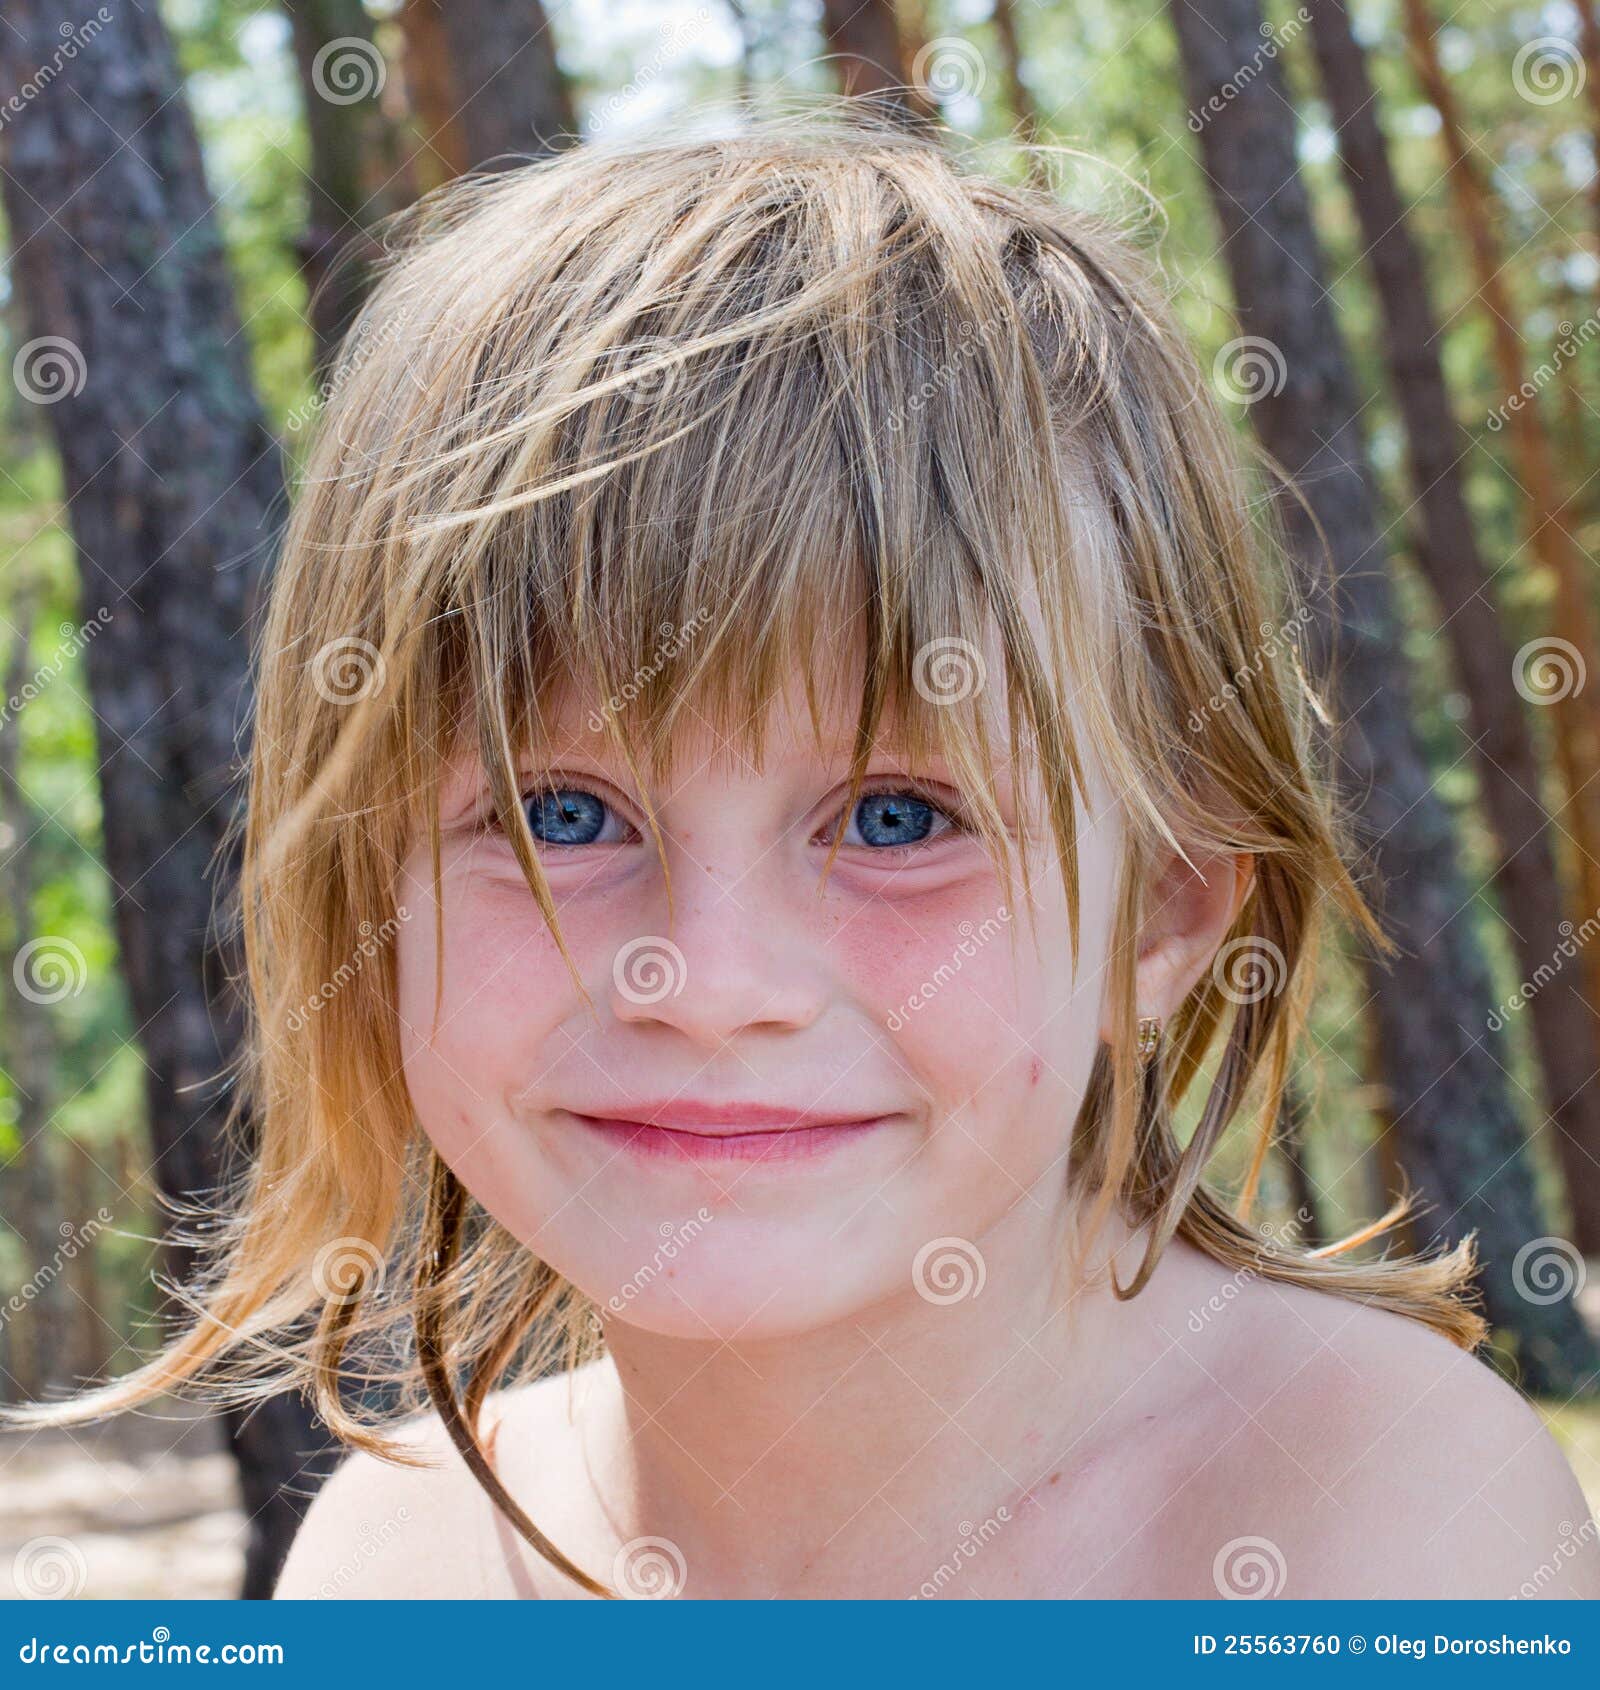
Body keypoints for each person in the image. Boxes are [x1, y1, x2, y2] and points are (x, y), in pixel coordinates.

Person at [15, 104, 1598, 1601]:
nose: (707, 981)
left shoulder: (1373, 1516)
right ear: (369, 890)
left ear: (1169, 901)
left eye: (897, 818)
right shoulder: (395, 1556)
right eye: (562, 813)